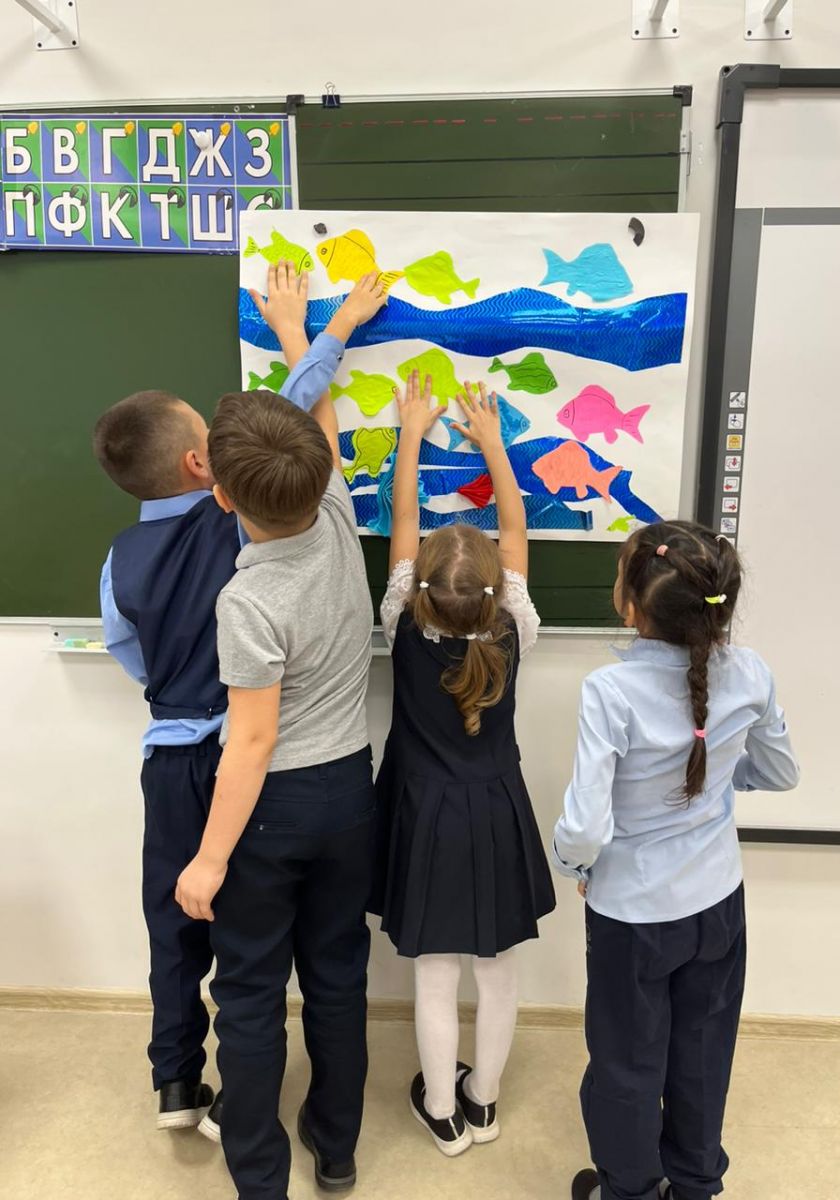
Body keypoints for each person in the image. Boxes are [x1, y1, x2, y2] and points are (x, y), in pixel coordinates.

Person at [92, 260, 378, 1135]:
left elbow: (127, 651)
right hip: (239, 762)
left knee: (173, 916)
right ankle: (262, 1108)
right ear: (205, 469)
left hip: (169, 756)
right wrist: (321, 331)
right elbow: (297, 421)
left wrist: (175, 699)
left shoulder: (118, 562)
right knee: (250, 942)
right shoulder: (242, 515)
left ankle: (177, 1082)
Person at [173, 317, 382, 1199]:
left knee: (251, 992)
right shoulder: (337, 513)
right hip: (349, 795)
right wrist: (312, 335)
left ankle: (259, 1175)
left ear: (222, 498)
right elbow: (320, 427)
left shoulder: (247, 599)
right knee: (337, 977)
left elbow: (252, 742)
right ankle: (336, 1147)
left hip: (271, 811)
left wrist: (209, 858)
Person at [553, 521, 800, 1200]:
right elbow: (780, 773)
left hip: (632, 915)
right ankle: (694, 1185)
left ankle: (630, 1189)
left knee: (626, 1062)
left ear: (632, 607)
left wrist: (576, 866)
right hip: (719, 904)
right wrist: (718, 780)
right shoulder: (750, 672)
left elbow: (585, 825)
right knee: (703, 1052)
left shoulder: (610, 690)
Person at [372, 374, 556, 1157]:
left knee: (436, 974)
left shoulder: (400, 618)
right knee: (499, 970)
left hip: (423, 812)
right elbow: (513, 528)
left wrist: (410, 434)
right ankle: (483, 1102)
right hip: (497, 809)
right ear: (495, 587)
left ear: (418, 587)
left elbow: (404, 522)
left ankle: (442, 1112)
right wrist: (494, 445)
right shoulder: (514, 621)